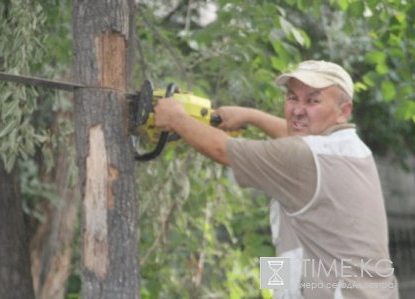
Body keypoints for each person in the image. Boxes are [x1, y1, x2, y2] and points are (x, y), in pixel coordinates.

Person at [153, 60, 399, 299]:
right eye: (292, 98)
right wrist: (252, 116)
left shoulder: (302, 157)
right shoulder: (351, 148)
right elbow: (299, 138)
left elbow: (222, 150)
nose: (298, 110)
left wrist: (177, 118)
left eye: (313, 100)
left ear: (343, 111)